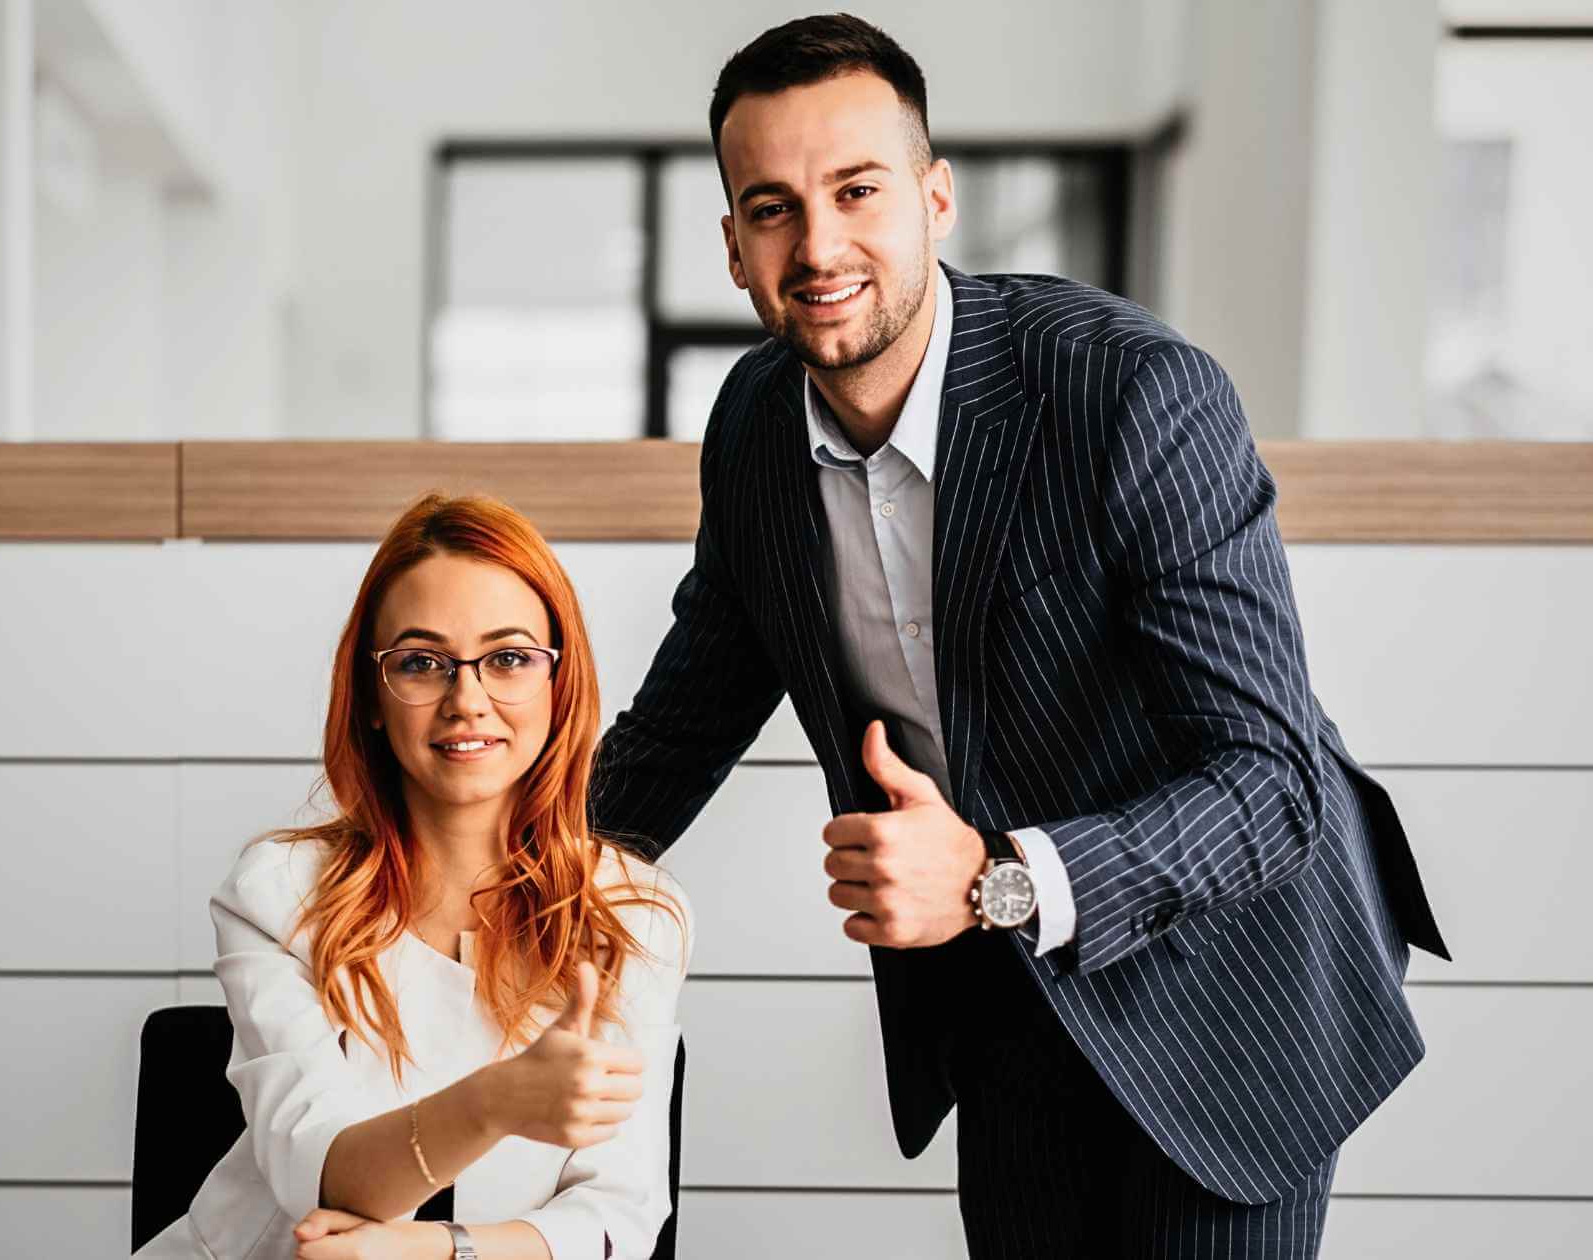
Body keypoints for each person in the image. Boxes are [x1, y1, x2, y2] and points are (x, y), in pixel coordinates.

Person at [587, 15, 1447, 1258]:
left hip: (1228, 987)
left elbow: (1270, 784)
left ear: (936, 198)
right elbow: (681, 725)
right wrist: (464, 879)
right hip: (1007, 1001)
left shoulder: (1131, 394)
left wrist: (992, 879)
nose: (817, 244)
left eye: (856, 189)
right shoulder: (754, 426)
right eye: (771, 207)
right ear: (730, 246)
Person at [139, 493, 691, 1260]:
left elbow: (616, 1221)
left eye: (509, 658)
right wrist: (498, 1101)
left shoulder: (636, 912)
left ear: (560, 684)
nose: (468, 701)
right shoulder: (278, 892)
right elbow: (324, 1182)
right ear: (371, 693)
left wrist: (427, 1249)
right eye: (422, 663)